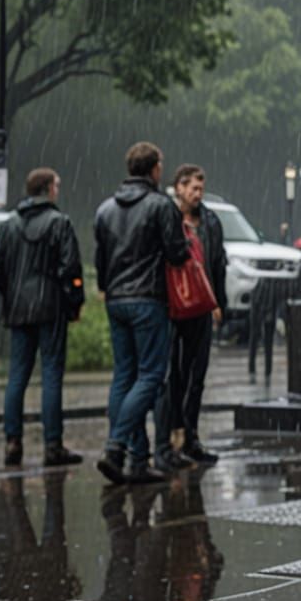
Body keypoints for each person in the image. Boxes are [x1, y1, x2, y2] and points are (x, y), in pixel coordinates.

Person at [94, 142, 188, 484]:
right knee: (150, 376)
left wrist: (109, 286)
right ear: (155, 169)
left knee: (124, 376)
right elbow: (177, 254)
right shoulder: (160, 206)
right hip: (148, 298)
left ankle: (136, 458)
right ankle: (116, 446)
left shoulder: (105, 209)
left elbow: (101, 261)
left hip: (116, 298)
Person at [0, 167, 84, 467]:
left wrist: (10, 291)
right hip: (50, 307)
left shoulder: (10, 225)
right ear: (47, 189)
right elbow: (71, 269)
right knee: (51, 375)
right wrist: (73, 302)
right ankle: (52, 444)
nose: (59, 189)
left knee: (17, 374)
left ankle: (12, 441)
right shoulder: (60, 223)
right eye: (56, 185)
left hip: (18, 308)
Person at [154, 164, 227, 471]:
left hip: (201, 303)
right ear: (179, 187)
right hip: (172, 305)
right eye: (192, 188)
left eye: (200, 188)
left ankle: (191, 437)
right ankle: (171, 436)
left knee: (196, 374)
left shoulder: (209, 220)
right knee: (172, 375)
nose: (197, 194)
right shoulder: (166, 216)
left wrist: (218, 302)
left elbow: (218, 262)